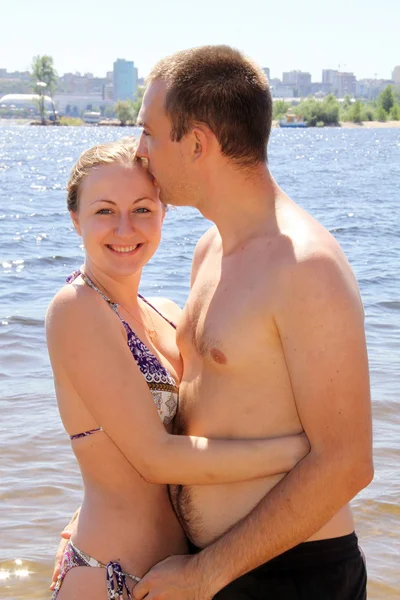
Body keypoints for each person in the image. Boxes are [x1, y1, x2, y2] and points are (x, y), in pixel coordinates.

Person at [129, 45, 373, 600]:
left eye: (149, 132)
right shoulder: (209, 248)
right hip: (212, 566)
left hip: (293, 575)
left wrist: (205, 573)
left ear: (197, 144)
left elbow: (347, 463)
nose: (139, 153)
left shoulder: (305, 267)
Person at [46, 137, 309, 600]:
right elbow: (154, 457)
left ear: (164, 214)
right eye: (105, 211)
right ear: (76, 221)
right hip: (111, 578)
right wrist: (299, 454)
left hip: (178, 577)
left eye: (143, 209)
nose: (125, 228)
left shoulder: (167, 313)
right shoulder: (77, 308)